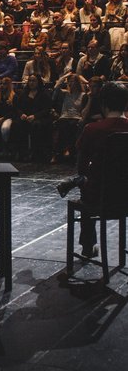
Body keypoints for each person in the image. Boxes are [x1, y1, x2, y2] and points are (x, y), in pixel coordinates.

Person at [56, 81, 128, 257]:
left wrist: (83, 179)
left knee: (86, 186)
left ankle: (88, 246)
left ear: (102, 104)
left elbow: (81, 167)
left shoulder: (92, 129)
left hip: (99, 195)